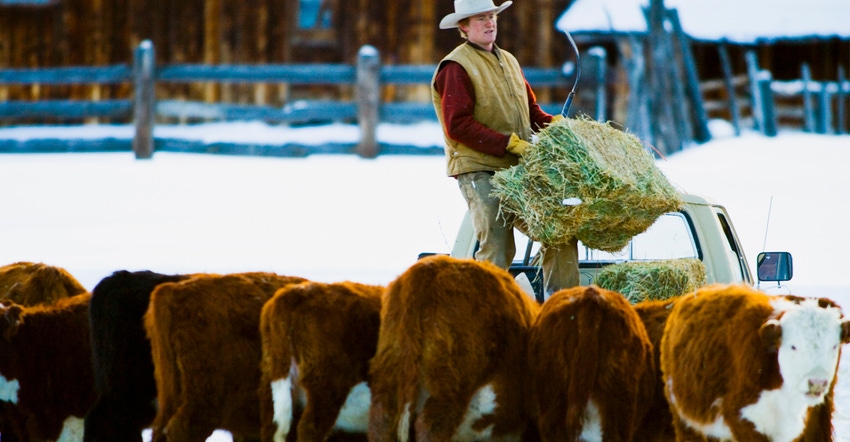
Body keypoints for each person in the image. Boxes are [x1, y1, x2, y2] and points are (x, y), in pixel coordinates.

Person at [431, 0, 580, 297]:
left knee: (558, 230)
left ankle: (563, 307)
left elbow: (531, 112)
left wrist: (557, 126)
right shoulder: (455, 67)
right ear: (463, 27)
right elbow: (457, 125)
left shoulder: (509, 60)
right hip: (479, 170)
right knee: (497, 247)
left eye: (492, 16)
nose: (489, 23)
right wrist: (507, 143)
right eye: (480, 19)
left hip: (516, 168)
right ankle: (487, 318)